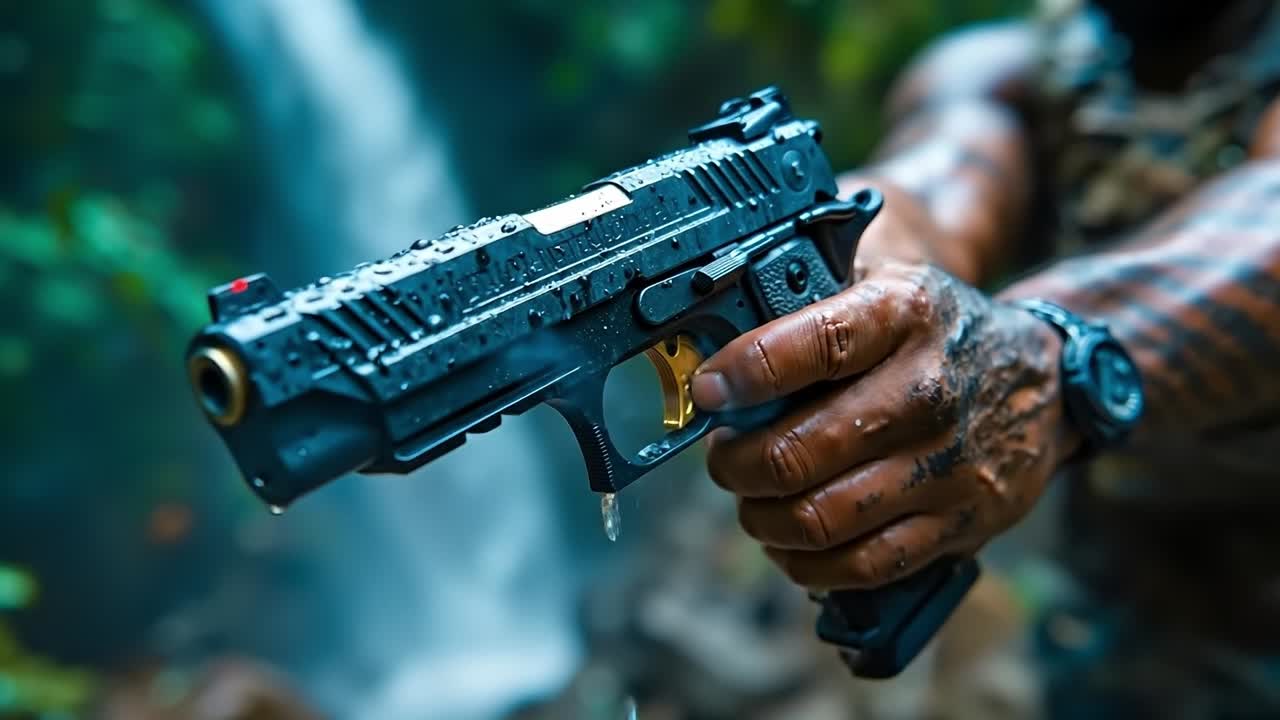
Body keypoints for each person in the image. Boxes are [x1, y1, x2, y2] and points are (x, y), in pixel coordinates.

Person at [692, 0, 1280, 716]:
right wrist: (846, 274)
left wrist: (1045, 357)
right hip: (1122, 659)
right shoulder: (1018, 71)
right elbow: (932, 185)